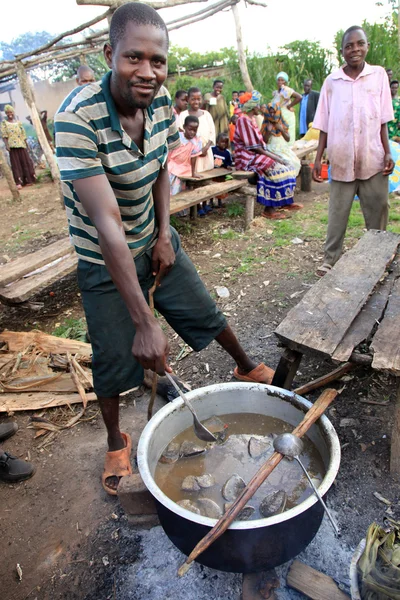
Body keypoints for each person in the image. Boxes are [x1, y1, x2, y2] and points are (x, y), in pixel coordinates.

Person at [55, 2, 276, 496]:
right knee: (114, 358)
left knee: (202, 308)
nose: (148, 72)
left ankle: (245, 363)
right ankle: (115, 439)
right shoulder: (76, 121)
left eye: (158, 62)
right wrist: (143, 322)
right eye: (134, 58)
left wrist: (161, 234)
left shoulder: (159, 102)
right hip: (103, 255)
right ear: (110, 54)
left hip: (152, 234)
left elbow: (162, 170)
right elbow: (107, 223)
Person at [312, 25, 394, 277]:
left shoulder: (378, 76)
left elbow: (382, 120)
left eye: (360, 44)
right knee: (337, 213)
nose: (355, 49)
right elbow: (324, 123)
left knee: (378, 210)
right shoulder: (332, 82)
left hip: (373, 158)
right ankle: (330, 259)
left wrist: (387, 152)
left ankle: (378, 259)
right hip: (341, 158)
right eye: (349, 46)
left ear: (367, 46)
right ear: (342, 52)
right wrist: (318, 157)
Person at [234, 91, 298, 220]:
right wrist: (275, 157)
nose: (261, 107)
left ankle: (284, 201)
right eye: (258, 104)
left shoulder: (250, 119)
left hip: (255, 155)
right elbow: (255, 148)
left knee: (288, 167)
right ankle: (269, 209)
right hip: (247, 158)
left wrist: (275, 157)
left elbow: (259, 145)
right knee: (275, 168)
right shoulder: (243, 120)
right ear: (253, 106)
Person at [178, 87, 216, 216]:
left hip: (206, 153)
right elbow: (181, 134)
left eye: (198, 98)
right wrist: (196, 150)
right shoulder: (183, 115)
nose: (196, 101)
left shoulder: (207, 114)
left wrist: (205, 148)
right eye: (193, 99)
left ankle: (206, 203)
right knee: (194, 179)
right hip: (191, 154)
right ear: (188, 99)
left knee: (206, 177)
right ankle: (196, 206)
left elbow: (212, 133)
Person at [261, 102, 302, 211]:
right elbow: (264, 141)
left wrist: (281, 129)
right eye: (270, 112)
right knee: (284, 168)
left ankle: (288, 199)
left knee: (295, 164)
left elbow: (288, 138)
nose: (272, 114)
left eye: (274, 112)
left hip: (283, 149)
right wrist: (269, 131)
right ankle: (281, 199)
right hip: (271, 150)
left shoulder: (282, 122)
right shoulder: (266, 123)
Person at [1, 104, 35, 189]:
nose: (10, 114)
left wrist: (26, 144)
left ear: (13, 112)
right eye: (8, 112)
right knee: (16, 164)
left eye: (11, 112)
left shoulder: (18, 123)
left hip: (21, 145)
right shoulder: (4, 124)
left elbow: (23, 134)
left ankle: (29, 180)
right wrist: (7, 145)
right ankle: (19, 182)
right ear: (6, 113)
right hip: (13, 147)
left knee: (25, 162)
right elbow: (4, 135)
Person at [168, 115, 202, 195]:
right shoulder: (177, 137)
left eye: (195, 130)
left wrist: (193, 172)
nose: (192, 132)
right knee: (170, 189)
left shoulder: (197, 141)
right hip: (171, 165)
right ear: (184, 127)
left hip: (185, 167)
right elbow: (169, 151)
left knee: (182, 191)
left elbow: (194, 157)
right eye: (190, 129)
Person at [271, 72, 302, 144]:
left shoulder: (286, 90)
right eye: (279, 80)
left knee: (287, 132)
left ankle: (288, 149)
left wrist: (289, 106)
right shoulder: (276, 92)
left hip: (286, 115)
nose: (280, 82)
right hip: (278, 114)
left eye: (282, 80)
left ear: (286, 82)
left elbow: (299, 97)